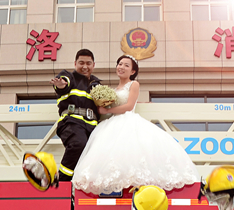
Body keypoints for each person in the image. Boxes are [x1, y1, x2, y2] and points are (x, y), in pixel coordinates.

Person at [72, 55, 200, 196]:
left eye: (126, 65)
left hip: (128, 121)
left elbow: (129, 106)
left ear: (132, 71)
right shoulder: (113, 90)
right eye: (120, 64)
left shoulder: (134, 84)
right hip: (112, 123)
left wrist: (107, 110)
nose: (121, 67)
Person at [50, 49, 102, 185]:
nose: (85, 66)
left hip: (92, 127)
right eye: (81, 63)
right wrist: (61, 85)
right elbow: (63, 84)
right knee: (78, 145)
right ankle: (62, 182)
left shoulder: (97, 84)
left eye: (88, 63)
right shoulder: (68, 76)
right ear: (75, 63)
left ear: (93, 65)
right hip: (71, 122)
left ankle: (77, 189)